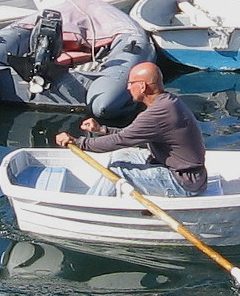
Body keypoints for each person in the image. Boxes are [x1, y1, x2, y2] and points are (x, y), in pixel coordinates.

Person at [55, 61, 207, 197]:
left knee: (117, 171)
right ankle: (111, 197)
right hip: (175, 169)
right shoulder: (168, 102)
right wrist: (102, 129)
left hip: (184, 182)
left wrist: (77, 142)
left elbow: (121, 140)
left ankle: (90, 208)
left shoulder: (158, 114)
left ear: (142, 86)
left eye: (130, 83)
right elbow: (129, 136)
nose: (127, 88)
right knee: (120, 155)